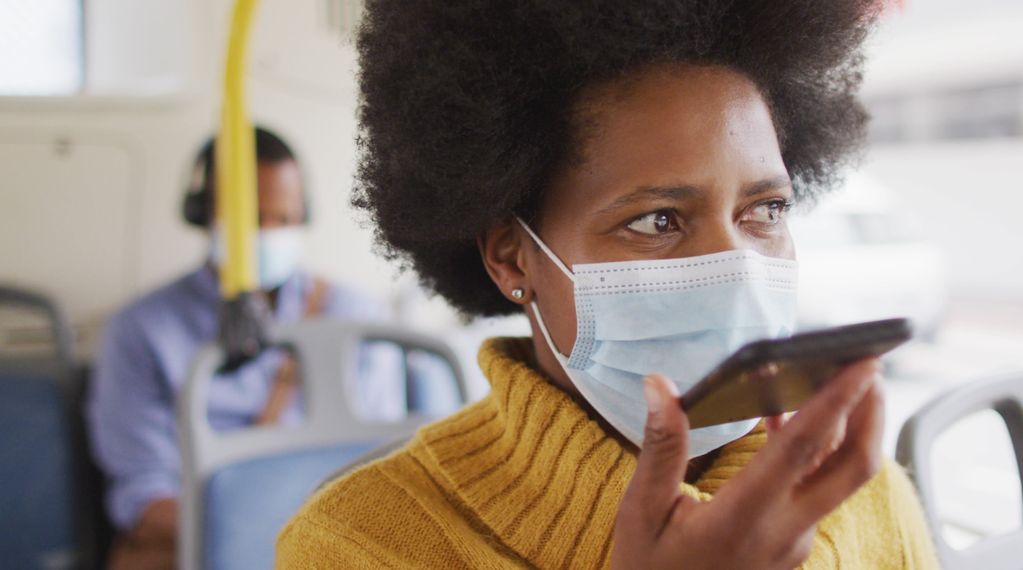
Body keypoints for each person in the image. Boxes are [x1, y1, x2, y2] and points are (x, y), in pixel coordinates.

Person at [278, 1, 939, 568]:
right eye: (658, 220)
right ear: (512, 257)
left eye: (763, 210)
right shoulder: (359, 543)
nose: (735, 267)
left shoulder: (864, 493)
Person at [87, 127, 418, 570]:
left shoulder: (358, 318)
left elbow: (381, 466)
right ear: (204, 215)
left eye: (283, 219)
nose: (268, 234)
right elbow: (145, 496)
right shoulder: (141, 330)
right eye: (251, 220)